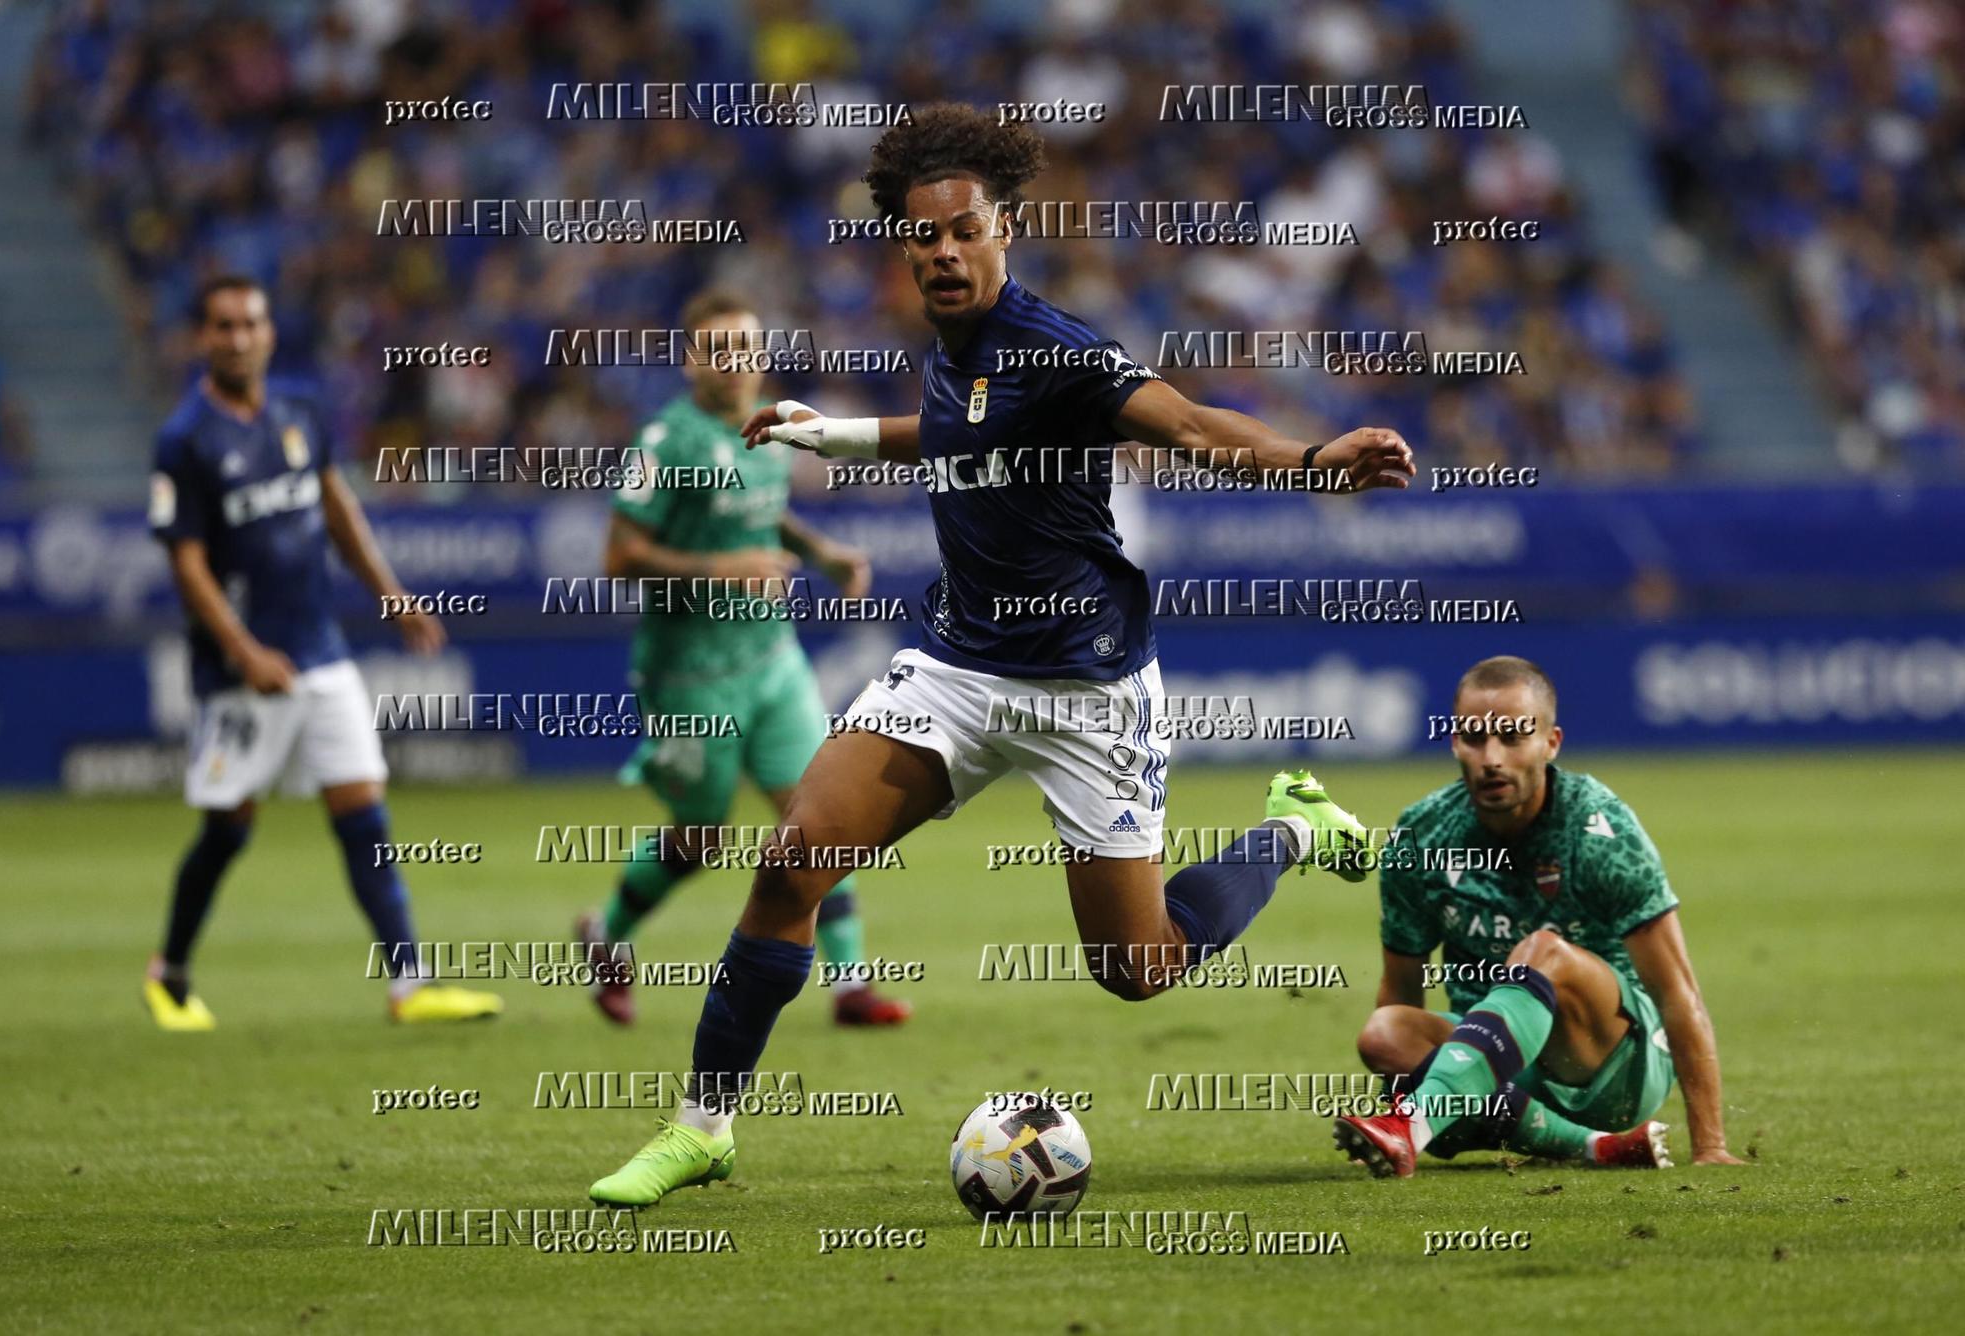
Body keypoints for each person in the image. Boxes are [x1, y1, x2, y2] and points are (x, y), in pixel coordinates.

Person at [588, 103, 1414, 1206]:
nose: (940, 250)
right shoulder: (952, 354)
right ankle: (701, 1128)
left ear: (1000, 229)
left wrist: (1312, 457)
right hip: (958, 668)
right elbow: (947, 429)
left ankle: (1288, 829)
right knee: (792, 860)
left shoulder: (1058, 353)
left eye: (961, 230)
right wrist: (821, 430)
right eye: (921, 237)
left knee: (1137, 969)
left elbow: (1189, 426)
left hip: (1087, 688)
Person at [143, 274, 501, 1029]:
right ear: (202, 338)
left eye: (250, 323)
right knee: (228, 829)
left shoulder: (300, 411)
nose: (238, 337)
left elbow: (336, 504)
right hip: (245, 672)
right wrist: (242, 652)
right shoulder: (184, 440)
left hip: (322, 650)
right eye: (223, 326)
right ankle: (169, 974)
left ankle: (410, 982)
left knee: (364, 812)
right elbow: (187, 563)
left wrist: (391, 593)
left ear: (269, 332)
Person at [575, 287, 910, 1028]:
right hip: (690, 675)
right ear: (691, 361)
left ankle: (851, 983)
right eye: (717, 350)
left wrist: (821, 551)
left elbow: (760, 511)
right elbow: (619, 557)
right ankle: (609, 935)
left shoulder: (774, 428)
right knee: (700, 838)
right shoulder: (665, 443)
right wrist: (720, 569)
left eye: (746, 348)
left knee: (819, 815)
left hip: (771, 659)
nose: (735, 363)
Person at [1332, 656, 1744, 1175]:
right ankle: (1592, 1146)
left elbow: (1676, 991)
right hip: (1502, 1068)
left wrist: (1709, 1145)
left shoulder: (1600, 830)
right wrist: (1399, 1087)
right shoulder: (1422, 836)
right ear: (1455, 743)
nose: (1491, 758)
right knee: (1383, 1034)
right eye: (1474, 738)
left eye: (1512, 737)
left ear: (1550, 744)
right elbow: (1400, 990)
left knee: (1542, 951)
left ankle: (1412, 1126)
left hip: (1614, 1067)